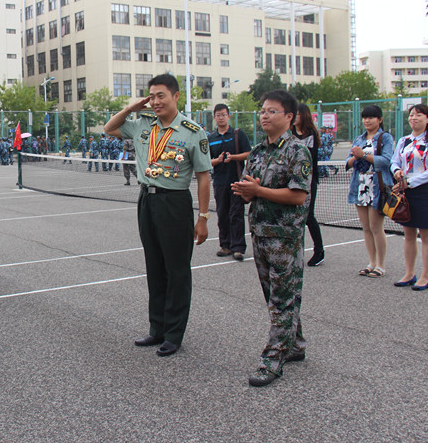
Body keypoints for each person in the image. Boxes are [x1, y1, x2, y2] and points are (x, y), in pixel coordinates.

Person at [104, 73, 211, 358]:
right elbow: (109, 128)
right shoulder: (142, 125)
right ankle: (157, 328)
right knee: (154, 266)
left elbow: (203, 176)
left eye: (161, 95)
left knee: (176, 270)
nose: (156, 101)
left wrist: (203, 217)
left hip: (174, 203)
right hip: (146, 200)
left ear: (177, 96)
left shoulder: (192, 131)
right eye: (151, 96)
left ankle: (174, 334)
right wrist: (131, 108)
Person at [231, 90, 311, 387]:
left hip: (285, 240)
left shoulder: (297, 151)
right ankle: (296, 344)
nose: (264, 115)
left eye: (272, 111)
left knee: (281, 299)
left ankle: (272, 360)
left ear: (289, 117)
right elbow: (252, 188)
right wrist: (245, 190)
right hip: (261, 235)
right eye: (262, 111)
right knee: (275, 297)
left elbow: (298, 195)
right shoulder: (258, 152)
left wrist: (258, 191)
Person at [345, 105, 393, 278]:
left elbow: (386, 161)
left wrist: (363, 155)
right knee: (366, 227)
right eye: (365, 117)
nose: (367, 120)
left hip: (377, 186)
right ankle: (371, 262)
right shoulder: (359, 138)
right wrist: (355, 157)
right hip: (360, 186)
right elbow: (348, 162)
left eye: (371, 117)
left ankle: (381, 265)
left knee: (376, 227)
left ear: (379, 119)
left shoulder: (385, 138)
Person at [390, 104, 428, 290]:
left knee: (426, 235)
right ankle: (409, 273)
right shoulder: (404, 140)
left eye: (419, 115)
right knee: (408, 234)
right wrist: (397, 172)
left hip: (424, 191)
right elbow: (394, 161)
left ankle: (426, 275)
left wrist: (411, 182)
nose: (414, 118)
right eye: (411, 115)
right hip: (406, 191)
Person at [208, 104, 251, 261]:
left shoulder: (238, 134)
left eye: (223, 114)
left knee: (236, 214)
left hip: (237, 181)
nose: (221, 117)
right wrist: (218, 161)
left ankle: (238, 247)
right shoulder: (211, 138)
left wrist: (234, 157)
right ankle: (225, 245)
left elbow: (248, 154)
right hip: (219, 182)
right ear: (214, 117)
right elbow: (206, 161)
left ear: (229, 116)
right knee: (222, 214)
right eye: (218, 115)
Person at [292, 104, 325, 267]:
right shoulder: (289, 133)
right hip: (291, 180)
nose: (294, 116)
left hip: (308, 180)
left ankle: (319, 251)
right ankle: (294, 250)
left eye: (297, 114)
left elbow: (308, 159)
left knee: (308, 216)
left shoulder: (311, 134)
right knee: (294, 217)